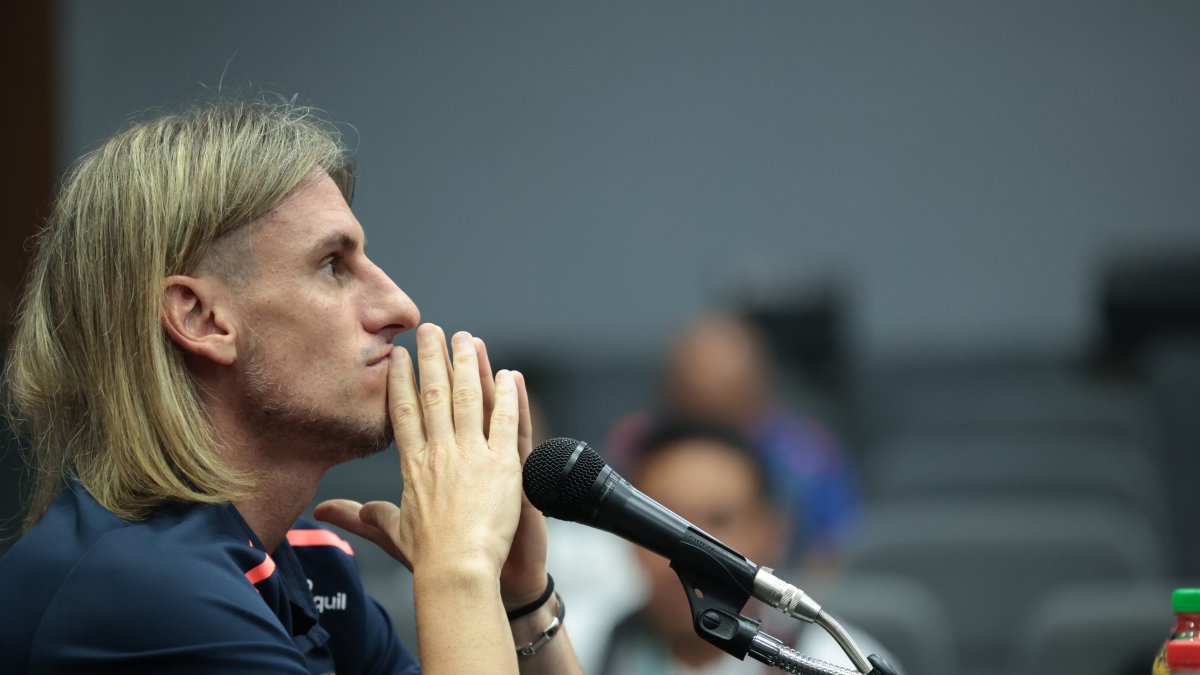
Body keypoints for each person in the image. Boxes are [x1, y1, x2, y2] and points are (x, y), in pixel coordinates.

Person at [0, 98, 583, 674]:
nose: (400, 308)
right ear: (201, 319)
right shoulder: (138, 590)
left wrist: (519, 599)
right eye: (333, 265)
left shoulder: (304, 560)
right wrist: (459, 567)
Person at [598, 420, 896, 675]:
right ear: (627, 538)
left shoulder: (837, 665)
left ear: (772, 531)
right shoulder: (575, 647)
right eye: (658, 525)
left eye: (719, 520)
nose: (687, 550)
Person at [608, 313, 860, 571]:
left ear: (760, 391)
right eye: (699, 406)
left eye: (729, 403)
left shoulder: (809, 454)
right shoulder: (638, 447)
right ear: (673, 392)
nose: (715, 433)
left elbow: (836, 549)